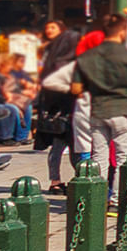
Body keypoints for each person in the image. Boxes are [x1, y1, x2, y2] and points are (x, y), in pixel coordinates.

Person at [73, 11, 127, 189]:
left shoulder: (86, 57)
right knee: (123, 157)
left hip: (98, 110)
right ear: (122, 32)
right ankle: (116, 199)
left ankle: (97, 196)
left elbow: (76, 88)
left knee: (99, 156)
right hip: (123, 109)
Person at [35, 49, 79, 186]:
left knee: (66, 149)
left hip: (67, 115)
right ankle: (57, 181)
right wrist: (69, 89)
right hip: (64, 117)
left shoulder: (64, 70)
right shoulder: (65, 72)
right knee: (66, 149)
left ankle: (58, 180)